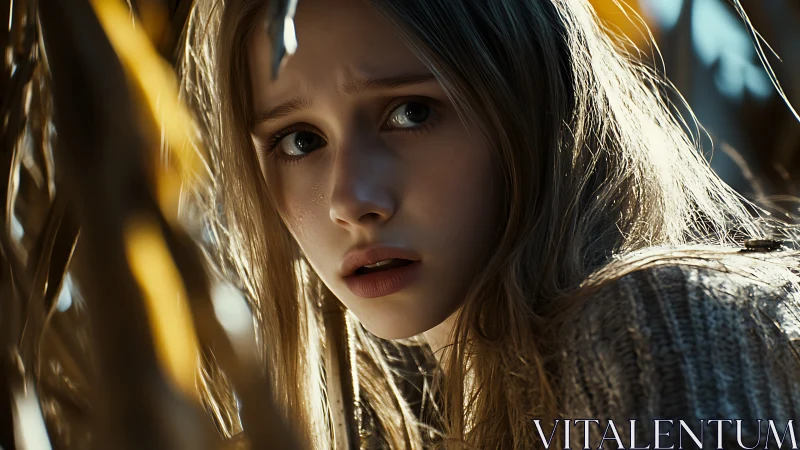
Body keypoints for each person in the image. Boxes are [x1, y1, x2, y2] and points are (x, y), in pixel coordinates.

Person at [179, 0, 800, 448]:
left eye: (411, 111)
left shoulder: (657, 322)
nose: (350, 199)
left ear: (533, 99)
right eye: (299, 140)